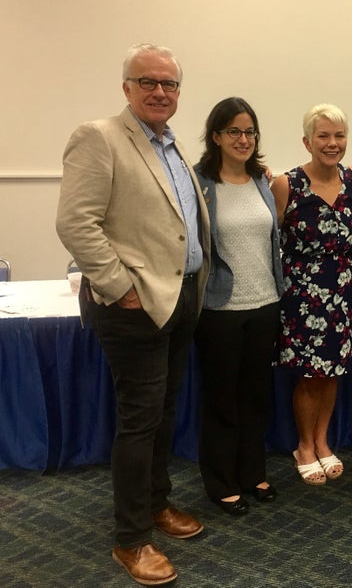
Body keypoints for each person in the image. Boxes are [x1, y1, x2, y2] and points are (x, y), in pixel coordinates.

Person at [56, 44, 210, 586]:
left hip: (179, 300)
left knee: (163, 413)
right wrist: (120, 287)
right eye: (147, 81)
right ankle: (131, 539)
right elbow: (77, 224)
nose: (160, 92)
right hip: (134, 307)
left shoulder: (170, 147)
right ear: (126, 87)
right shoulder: (99, 137)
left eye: (169, 84)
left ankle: (156, 505)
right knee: (140, 420)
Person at [193, 97, 283, 515]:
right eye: (234, 131)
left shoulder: (262, 180)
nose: (243, 139)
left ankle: (252, 473)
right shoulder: (200, 185)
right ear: (216, 136)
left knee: (256, 396)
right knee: (221, 399)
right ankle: (221, 482)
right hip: (219, 310)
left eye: (249, 132)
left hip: (265, 303)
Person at [270, 104, 352, 486]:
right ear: (307, 141)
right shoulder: (286, 184)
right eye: (323, 135)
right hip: (303, 294)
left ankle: (323, 442)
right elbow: (268, 241)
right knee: (310, 376)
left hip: (343, 288)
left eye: (339, 135)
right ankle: (304, 446)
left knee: (333, 372)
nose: (332, 143)